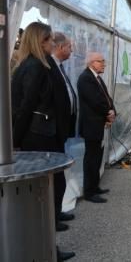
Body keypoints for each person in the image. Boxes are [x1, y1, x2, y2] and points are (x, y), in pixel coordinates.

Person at [11, 22, 75, 261]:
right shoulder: (35, 67)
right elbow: (24, 107)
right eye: (50, 40)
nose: (53, 44)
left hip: (43, 136)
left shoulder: (35, 65)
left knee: (51, 190)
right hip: (40, 139)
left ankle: (46, 246)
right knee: (49, 192)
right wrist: (15, 141)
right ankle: (48, 249)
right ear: (41, 41)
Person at [47, 32, 77, 231]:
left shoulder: (59, 67)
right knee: (54, 178)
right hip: (50, 131)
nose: (71, 50)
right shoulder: (48, 67)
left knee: (59, 177)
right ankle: (52, 218)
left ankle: (56, 213)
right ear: (59, 47)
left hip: (60, 130)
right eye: (69, 47)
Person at [77, 52, 115, 203]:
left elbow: (106, 98)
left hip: (100, 123)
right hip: (91, 125)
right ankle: (89, 192)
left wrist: (112, 110)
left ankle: (95, 186)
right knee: (91, 159)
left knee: (97, 157)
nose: (104, 64)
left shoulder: (96, 78)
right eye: (101, 61)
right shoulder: (86, 78)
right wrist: (108, 113)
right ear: (92, 63)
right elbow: (95, 101)